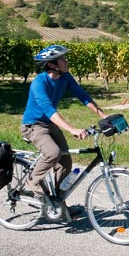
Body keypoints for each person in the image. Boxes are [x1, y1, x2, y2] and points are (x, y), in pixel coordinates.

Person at [21, 45, 107, 198]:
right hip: (33, 126)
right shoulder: (39, 83)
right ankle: (31, 181)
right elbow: (48, 110)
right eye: (63, 59)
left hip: (50, 125)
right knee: (53, 153)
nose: (66, 62)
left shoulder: (65, 77)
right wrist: (72, 129)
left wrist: (104, 116)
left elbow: (83, 96)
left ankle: (58, 203)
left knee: (66, 164)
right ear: (52, 65)